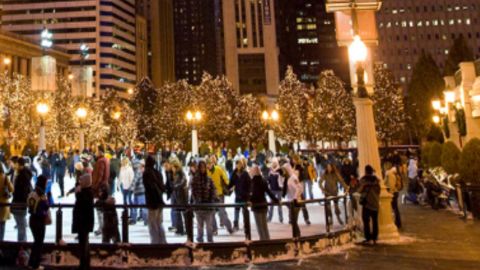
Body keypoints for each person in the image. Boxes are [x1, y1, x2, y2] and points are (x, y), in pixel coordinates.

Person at [71, 162, 94, 270]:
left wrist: (77, 192)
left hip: (83, 222)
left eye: (81, 181)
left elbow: (80, 204)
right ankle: (85, 262)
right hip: (84, 222)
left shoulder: (84, 194)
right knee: (84, 242)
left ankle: (84, 264)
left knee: (83, 243)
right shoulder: (87, 193)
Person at [190, 160, 217, 243]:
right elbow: (193, 192)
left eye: (204, 167)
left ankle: (210, 242)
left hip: (208, 207)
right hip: (199, 207)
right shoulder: (194, 179)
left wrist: (211, 201)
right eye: (201, 167)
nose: (202, 169)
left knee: (209, 226)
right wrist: (196, 202)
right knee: (200, 226)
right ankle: (200, 242)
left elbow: (213, 190)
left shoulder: (209, 179)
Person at [27, 175, 50, 269]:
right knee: (39, 243)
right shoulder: (41, 195)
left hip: (32, 219)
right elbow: (45, 207)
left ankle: (31, 263)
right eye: (45, 182)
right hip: (39, 221)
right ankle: (35, 265)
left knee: (36, 242)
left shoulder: (32, 192)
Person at [250, 165, 278, 240]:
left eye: (251, 171)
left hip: (257, 206)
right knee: (264, 226)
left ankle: (263, 242)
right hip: (263, 205)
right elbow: (269, 192)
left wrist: (249, 200)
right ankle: (267, 240)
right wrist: (276, 200)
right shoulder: (263, 180)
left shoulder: (253, 182)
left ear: (254, 172)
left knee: (260, 226)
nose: (250, 172)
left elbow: (254, 195)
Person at [207, 156, 234, 234]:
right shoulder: (206, 171)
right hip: (210, 195)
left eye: (210, 163)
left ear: (213, 163)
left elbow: (226, 179)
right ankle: (214, 230)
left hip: (219, 194)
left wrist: (229, 186)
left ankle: (229, 228)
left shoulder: (218, 169)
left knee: (222, 213)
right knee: (211, 214)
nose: (208, 166)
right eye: (207, 164)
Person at [143, 155, 166, 244]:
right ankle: (162, 241)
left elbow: (150, 187)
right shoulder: (157, 172)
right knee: (159, 223)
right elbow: (162, 187)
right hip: (159, 200)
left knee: (153, 224)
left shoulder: (147, 173)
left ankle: (155, 243)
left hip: (153, 202)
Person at [358, 165, 381, 245]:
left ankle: (368, 238)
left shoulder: (363, 180)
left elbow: (359, 190)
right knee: (375, 222)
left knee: (366, 221)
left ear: (365, 171)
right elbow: (378, 192)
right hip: (375, 203)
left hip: (367, 204)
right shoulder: (376, 181)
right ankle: (374, 238)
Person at [12, 157, 32, 242]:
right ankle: (23, 245)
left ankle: (21, 246)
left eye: (16, 163)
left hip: (19, 203)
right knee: (21, 226)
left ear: (19, 165)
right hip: (21, 203)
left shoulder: (21, 176)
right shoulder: (24, 175)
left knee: (21, 227)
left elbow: (21, 191)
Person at [228, 159, 251, 231]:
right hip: (237, 195)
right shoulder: (234, 174)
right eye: (237, 164)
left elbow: (249, 184)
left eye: (240, 164)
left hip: (244, 196)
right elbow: (231, 183)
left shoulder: (245, 173)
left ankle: (246, 225)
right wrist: (227, 189)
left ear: (242, 165)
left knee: (245, 211)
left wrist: (249, 194)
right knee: (236, 211)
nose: (239, 165)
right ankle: (236, 225)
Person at [92, 146, 110, 236]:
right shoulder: (105, 160)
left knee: (99, 209)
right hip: (103, 187)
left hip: (100, 188)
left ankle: (102, 227)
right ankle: (102, 227)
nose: (96, 153)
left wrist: (95, 186)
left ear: (100, 152)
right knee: (101, 209)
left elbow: (100, 175)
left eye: (97, 151)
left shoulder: (101, 161)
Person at [282, 163, 303, 237]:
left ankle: (297, 236)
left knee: (293, 220)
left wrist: (295, 198)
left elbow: (299, 188)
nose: (283, 172)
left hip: (295, 202)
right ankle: (296, 235)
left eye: (284, 170)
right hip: (290, 201)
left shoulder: (293, 178)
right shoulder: (287, 178)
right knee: (293, 221)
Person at [171, 158, 188, 235]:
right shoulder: (174, 173)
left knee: (184, 213)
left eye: (173, 167)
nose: (172, 169)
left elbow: (184, 181)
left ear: (176, 166)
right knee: (177, 213)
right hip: (176, 195)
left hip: (182, 195)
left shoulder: (181, 173)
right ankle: (180, 229)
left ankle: (187, 229)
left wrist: (176, 186)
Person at [384, 163, 403, 229]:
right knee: (395, 208)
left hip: (393, 193)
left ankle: (397, 222)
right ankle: (398, 222)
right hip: (395, 192)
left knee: (394, 208)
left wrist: (390, 193)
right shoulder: (393, 173)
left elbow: (391, 185)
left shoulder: (389, 173)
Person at [130, 159, 147, 225]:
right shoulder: (137, 171)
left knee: (142, 207)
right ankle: (134, 219)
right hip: (138, 191)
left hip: (140, 191)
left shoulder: (137, 171)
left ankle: (146, 220)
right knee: (135, 206)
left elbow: (135, 180)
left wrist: (131, 188)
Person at [267, 158, 283, 223]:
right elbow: (269, 180)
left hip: (279, 190)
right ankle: (270, 218)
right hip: (272, 190)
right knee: (271, 205)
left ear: (277, 163)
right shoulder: (270, 171)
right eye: (273, 163)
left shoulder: (279, 170)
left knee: (279, 204)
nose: (274, 164)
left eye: (275, 163)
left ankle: (281, 218)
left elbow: (282, 179)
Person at [0, 164, 13, 241]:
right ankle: (1, 244)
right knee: (2, 225)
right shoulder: (4, 177)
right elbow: (11, 189)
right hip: (3, 204)